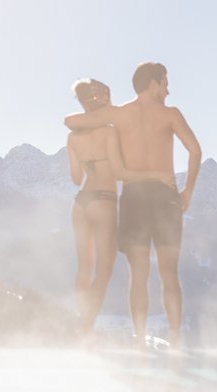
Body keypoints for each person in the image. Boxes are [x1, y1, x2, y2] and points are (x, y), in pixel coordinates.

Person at [64, 62, 202, 347]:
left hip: (133, 197)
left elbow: (71, 122)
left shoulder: (119, 115)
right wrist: (187, 191)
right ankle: (175, 339)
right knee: (169, 273)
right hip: (165, 196)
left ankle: (139, 339)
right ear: (152, 83)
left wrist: (95, 111)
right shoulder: (170, 114)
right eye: (165, 83)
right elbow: (195, 151)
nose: (168, 90)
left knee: (138, 275)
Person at [66, 79, 124, 338]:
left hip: (81, 201)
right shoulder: (110, 132)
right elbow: (119, 171)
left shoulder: (72, 137)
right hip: (104, 199)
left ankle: (82, 321)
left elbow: (76, 178)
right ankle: (87, 327)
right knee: (104, 269)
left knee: (84, 267)